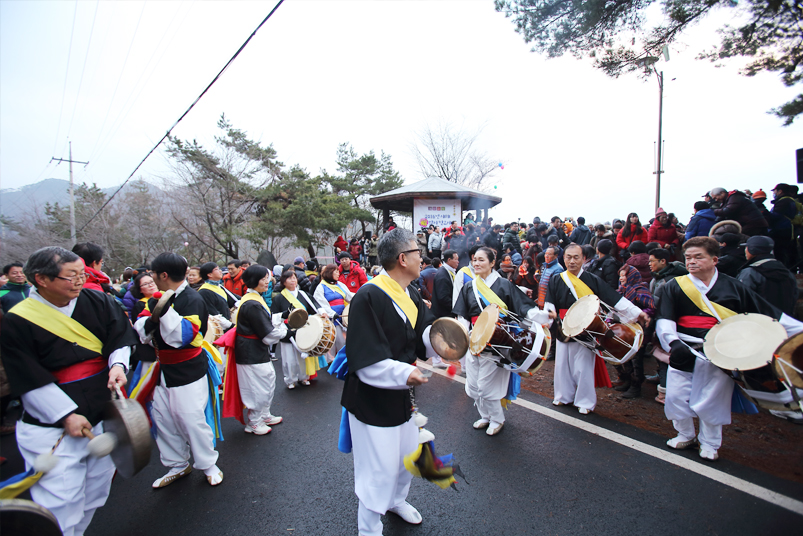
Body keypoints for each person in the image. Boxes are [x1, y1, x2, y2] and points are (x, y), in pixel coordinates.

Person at [1, 247, 137, 535]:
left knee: (94, 495)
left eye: (82, 274)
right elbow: (27, 375)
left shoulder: (97, 299)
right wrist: (66, 415)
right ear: (42, 279)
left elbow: (118, 337)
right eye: (71, 276)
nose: (79, 281)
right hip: (54, 427)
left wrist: (118, 366)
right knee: (62, 503)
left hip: (101, 412)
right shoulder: (18, 319)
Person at [656, 237, 803, 460]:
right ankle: (684, 433)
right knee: (676, 396)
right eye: (688, 258)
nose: (692, 262)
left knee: (712, 400)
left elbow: (769, 314)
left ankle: (710, 443)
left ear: (714, 259)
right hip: (684, 348)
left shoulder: (734, 286)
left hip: (720, 352)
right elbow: (664, 317)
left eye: (698, 257)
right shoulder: (674, 286)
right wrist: (673, 343)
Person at [340, 228, 435, 535]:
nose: (422, 258)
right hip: (371, 398)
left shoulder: (412, 293)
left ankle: (396, 501)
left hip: (402, 395)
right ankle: (368, 528)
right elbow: (365, 357)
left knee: (406, 456)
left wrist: (447, 340)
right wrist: (404, 373)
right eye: (418, 252)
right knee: (377, 469)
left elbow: (421, 339)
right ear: (403, 258)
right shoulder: (369, 295)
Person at [133, 252, 223, 487]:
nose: (152, 278)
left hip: (188, 368)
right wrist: (154, 317)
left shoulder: (192, 299)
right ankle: (177, 464)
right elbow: (141, 330)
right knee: (163, 418)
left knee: (191, 419)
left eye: (153, 274)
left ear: (163, 275)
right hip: (162, 368)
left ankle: (208, 464)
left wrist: (163, 311)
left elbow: (182, 337)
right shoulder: (158, 298)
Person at [540, 244, 648, 414]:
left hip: (587, 328)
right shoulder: (556, 279)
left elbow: (614, 298)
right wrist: (547, 318)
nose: (572, 261)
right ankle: (563, 396)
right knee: (562, 365)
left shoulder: (592, 279)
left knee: (583, 367)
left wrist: (637, 313)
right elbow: (549, 304)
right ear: (563, 258)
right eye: (568, 257)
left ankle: (585, 401)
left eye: (576, 257)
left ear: (584, 259)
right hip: (564, 327)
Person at [454, 246, 541, 435]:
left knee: (486, 386)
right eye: (474, 260)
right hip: (474, 340)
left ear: (493, 263)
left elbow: (522, 307)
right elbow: (463, 315)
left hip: (498, 342)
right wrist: (465, 333)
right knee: (473, 385)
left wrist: (541, 317)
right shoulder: (469, 286)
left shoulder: (504, 284)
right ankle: (485, 415)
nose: (476, 263)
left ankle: (497, 419)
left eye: (481, 260)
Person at [221, 265, 287, 435]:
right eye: (264, 278)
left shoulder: (253, 298)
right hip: (251, 351)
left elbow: (266, 322)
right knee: (258, 385)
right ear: (254, 280)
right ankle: (254, 422)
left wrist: (281, 318)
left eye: (267, 278)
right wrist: (285, 330)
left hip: (254, 349)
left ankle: (263, 414)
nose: (267, 281)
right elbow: (268, 335)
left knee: (267, 380)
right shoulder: (252, 304)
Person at [271, 269, 333, 389]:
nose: (293, 280)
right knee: (289, 358)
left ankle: (303, 377)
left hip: (303, 329)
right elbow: (274, 315)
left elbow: (314, 305)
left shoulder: (303, 294)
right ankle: (290, 379)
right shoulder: (279, 298)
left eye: (294, 277)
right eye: (289, 278)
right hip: (288, 329)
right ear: (283, 282)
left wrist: (322, 312)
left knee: (303, 356)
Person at [614, 265, 656, 399]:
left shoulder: (641, 290)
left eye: (624, 275)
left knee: (636, 359)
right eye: (620, 275)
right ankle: (628, 381)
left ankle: (636, 386)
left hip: (638, 330)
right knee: (625, 357)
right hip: (624, 329)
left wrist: (638, 315)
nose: (621, 278)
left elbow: (650, 308)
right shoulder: (621, 290)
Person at [737, 236, 798, 316]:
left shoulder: (750, 273)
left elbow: (742, 300)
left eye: (746, 247)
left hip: (759, 322)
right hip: (783, 322)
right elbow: (794, 297)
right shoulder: (787, 273)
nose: (745, 251)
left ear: (752, 250)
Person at [314, 264, 354, 360]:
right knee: (332, 341)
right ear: (329, 273)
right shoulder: (321, 287)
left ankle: (343, 360)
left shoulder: (340, 285)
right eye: (335, 271)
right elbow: (321, 303)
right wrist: (332, 314)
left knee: (343, 341)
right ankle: (332, 362)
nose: (338, 273)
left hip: (342, 316)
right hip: (330, 318)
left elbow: (350, 297)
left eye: (338, 271)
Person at [197, 262, 237, 327]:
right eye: (217, 269)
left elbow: (236, 300)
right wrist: (232, 326)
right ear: (210, 274)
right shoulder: (204, 292)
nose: (220, 271)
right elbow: (214, 316)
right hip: (218, 329)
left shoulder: (219, 287)